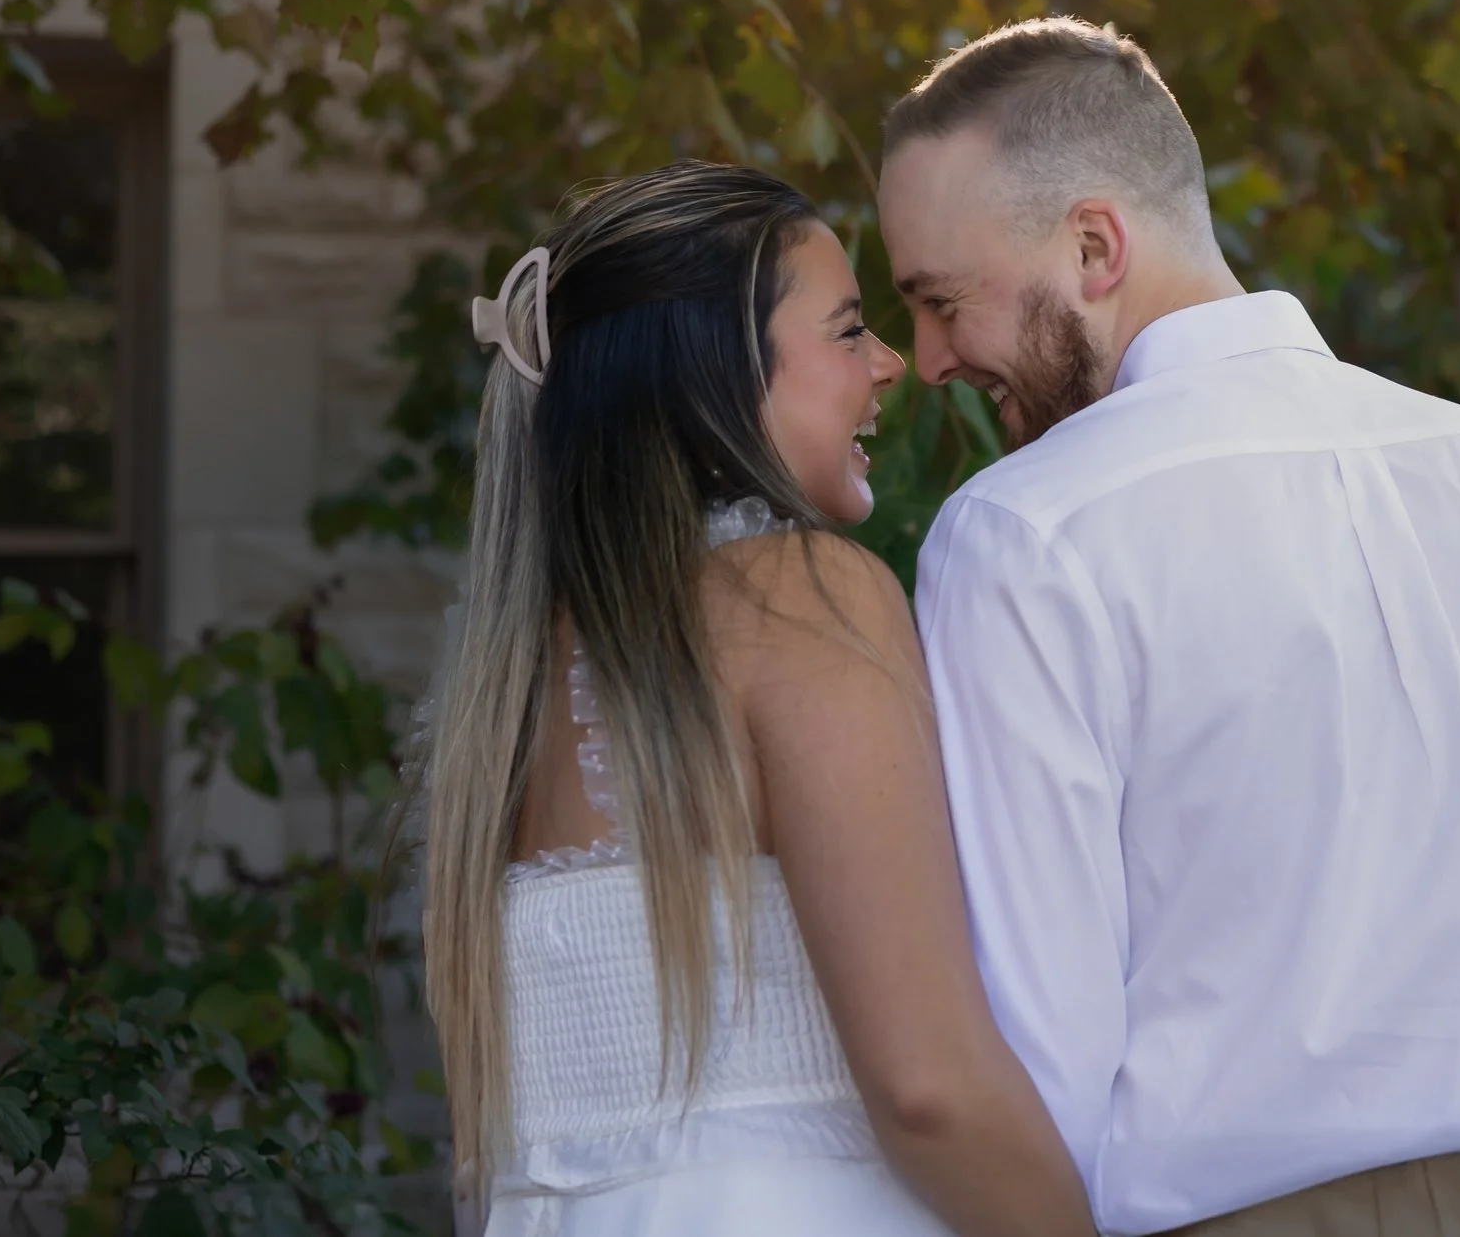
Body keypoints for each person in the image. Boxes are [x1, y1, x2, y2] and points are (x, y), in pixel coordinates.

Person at [876, 19, 1460, 1237]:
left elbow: (1039, 1049)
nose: (929, 357)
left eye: (944, 301)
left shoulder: (1024, 535)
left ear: (1095, 244)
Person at [418, 163, 1095, 1237]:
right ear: (712, 376)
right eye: (844, 330)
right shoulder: (798, 593)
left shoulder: (510, 691)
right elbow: (927, 1086)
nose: (888, 366)